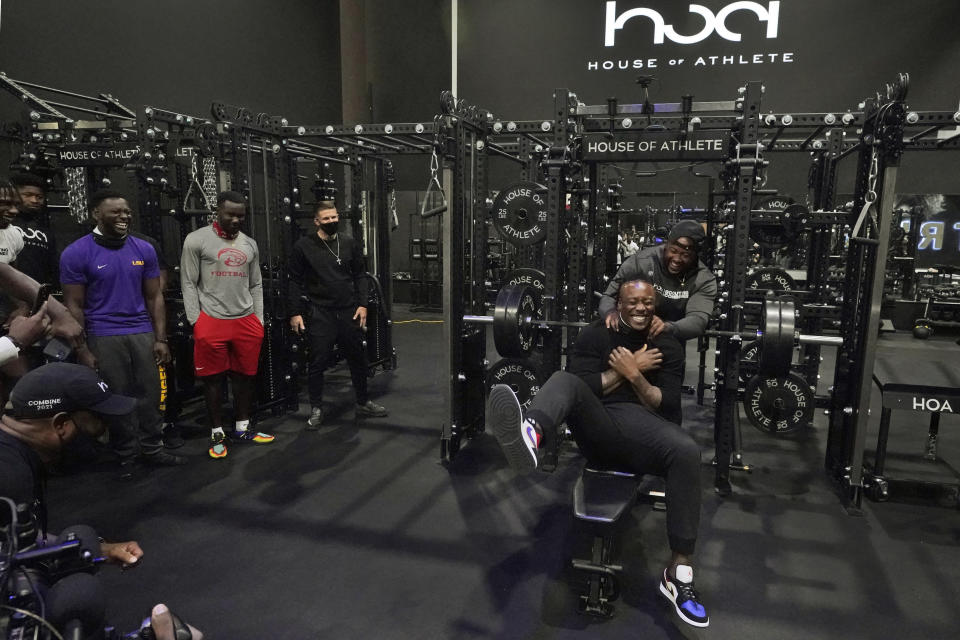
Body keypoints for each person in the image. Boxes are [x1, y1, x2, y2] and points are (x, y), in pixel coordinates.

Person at [489, 279, 708, 628]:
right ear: (617, 305)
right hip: (597, 430)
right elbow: (581, 388)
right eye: (633, 302)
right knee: (563, 379)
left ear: (655, 305)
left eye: (647, 303)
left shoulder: (667, 344)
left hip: (643, 434)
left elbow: (667, 410)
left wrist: (634, 374)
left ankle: (678, 573)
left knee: (686, 450)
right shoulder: (595, 336)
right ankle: (531, 434)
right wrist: (624, 369)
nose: (641, 308)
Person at [60, 190, 185, 475]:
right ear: (96, 214)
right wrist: (82, 349)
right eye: (115, 211)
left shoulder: (144, 249)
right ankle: (126, 454)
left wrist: (161, 338)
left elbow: (155, 297)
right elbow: (74, 305)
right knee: (117, 397)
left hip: (141, 330)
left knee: (152, 394)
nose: (124, 216)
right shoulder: (76, 252)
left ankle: (153, 448)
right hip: (103, 333)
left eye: (126, 211)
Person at [0, 363, 144, 567]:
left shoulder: (17, 456)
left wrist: (97, 549)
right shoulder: (9, 477)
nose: (102, 434)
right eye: (98, 424)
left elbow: (24, 541)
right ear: (61, 425)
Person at [180, 191, 275, 459]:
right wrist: (195, 320)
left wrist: (257, 318)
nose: (235, 219)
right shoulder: (196, 240)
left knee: (245, 377)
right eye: (230, 214)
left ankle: (243, 427)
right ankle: (217, 431)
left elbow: (255, 283)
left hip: (245, 320)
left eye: (240, 215)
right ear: (217, 213)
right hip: (211, 320)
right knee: (213, 380)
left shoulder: (249, 244)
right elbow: (188, 282)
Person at [288, 200, 387, 428]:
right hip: (320, 312)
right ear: (316, 221)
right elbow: (294, 281)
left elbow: (360, 275)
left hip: (348, 311)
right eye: (327, 219)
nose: (332, 221)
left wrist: (363, 305)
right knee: (318, 361)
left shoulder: (349, 243)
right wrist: (295, 312)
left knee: (357, 359)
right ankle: (316, 408)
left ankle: (362, 402)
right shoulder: (303, 247)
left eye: (334, 217)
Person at [599, 220, 717, 341]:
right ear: (666, 245)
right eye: (673, 251)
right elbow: (609, 296)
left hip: (669, 339)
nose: (676, 259)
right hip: (628, 337)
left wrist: (666, 327)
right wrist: (610, 313)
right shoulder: (640, 262)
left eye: (685, 255)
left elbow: (698, 320)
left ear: (696, 256)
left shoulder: (703, 279)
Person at [10, 173, 57, 286]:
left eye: (39, 197)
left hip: (36, 294)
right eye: (28, 195)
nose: (34, 200)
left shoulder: (47, 232)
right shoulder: (4, 223)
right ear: (14, 195)